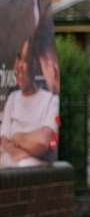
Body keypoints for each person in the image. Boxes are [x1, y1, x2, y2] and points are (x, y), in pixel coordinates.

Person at [0, 36, 61, 168]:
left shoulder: (51, 101)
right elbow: (3, 141)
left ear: (36, 66)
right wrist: (21, 150)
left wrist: (15, 137)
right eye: (19, 58)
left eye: (26, 60)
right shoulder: (13, 98)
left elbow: (42, 142)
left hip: (33, 174)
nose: (20, 66)